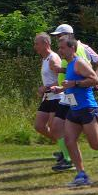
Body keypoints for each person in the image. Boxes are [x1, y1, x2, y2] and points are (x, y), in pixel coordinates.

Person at [48, 23, 98, 170]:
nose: (58, 41)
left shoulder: (83, 49)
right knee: (64, 133)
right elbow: (72, 71)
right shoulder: (67, 58)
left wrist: (89, 80)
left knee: (94, 141)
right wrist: (62, 87)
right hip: (69, 96)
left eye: (60, 36)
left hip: (83, 99)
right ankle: (75, 167)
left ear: (69, 36)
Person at [32, 33, 68, 168]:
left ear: (46, 43)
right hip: (47, 97)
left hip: (57, 97)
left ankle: (67, 151)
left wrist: (45, 87)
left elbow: (62, 79)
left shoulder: (53, 58)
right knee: (39, 126)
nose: (35, 46)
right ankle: (65, 146)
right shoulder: (45, 59)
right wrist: (44, 90)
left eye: (37, 44)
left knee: (54, 128)